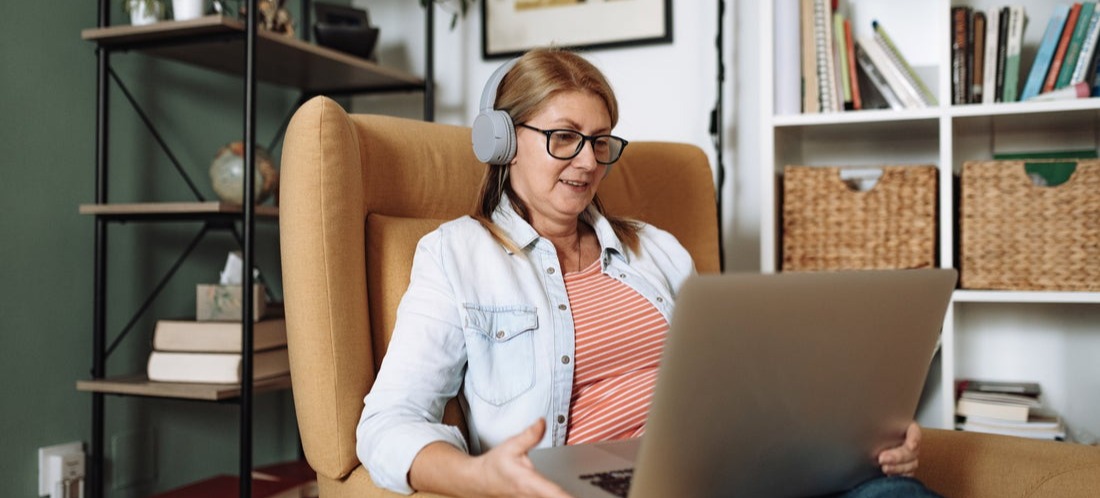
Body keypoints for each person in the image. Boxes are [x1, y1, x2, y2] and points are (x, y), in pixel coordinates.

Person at [356, 47, 940, 498]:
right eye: (564, 139)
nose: (587, 162)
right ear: (502, 141)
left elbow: (746, 381)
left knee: (894, 491)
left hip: (721, 470)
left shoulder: (656, 250)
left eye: (600, 142)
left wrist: (857, 434)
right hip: (603, 485)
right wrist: (480, 476)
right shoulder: (455, 256)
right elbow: (388, 423)